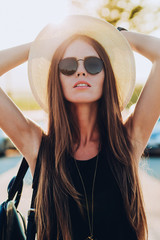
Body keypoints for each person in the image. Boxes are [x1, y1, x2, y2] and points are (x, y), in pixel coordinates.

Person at [0, 15, 160, 240]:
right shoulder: (39, 146)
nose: (81, 71)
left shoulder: (128, 140)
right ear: (57, 78)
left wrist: (120, 36)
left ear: (107, 77)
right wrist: (40, 47)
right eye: (68, 65)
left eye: (94, 65)